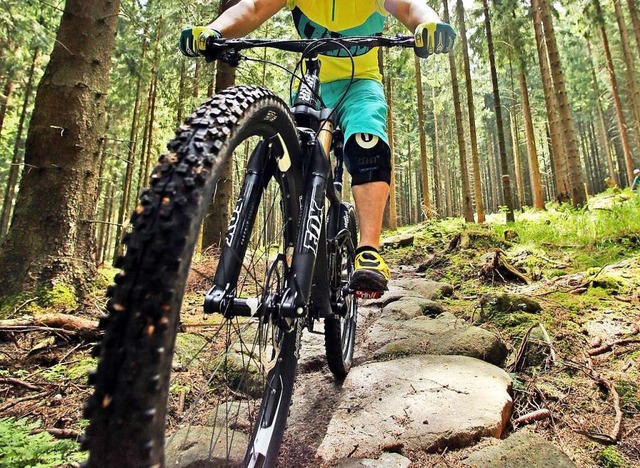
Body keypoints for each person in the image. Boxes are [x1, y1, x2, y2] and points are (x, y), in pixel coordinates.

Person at [179, 0, 456, 293]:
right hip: (311, 87)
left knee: (367, 142)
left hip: (361, 85)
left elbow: (411, 7)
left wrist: (429, 24)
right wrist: (213, 30)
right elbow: (253, 7)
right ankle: (297, 242)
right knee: (288, 149)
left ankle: (369, 251)